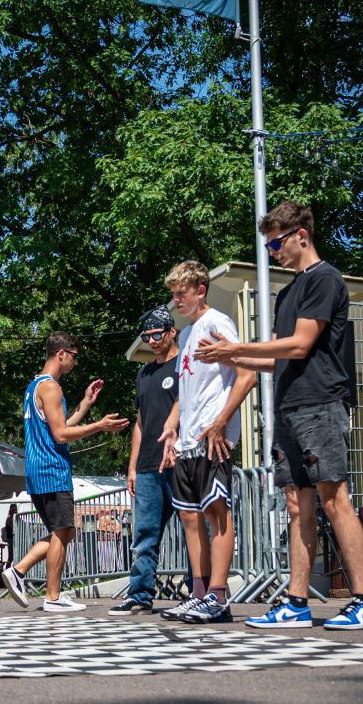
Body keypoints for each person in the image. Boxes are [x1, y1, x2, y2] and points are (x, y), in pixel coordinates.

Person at [196, 201, 363, 631]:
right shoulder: (288, 292)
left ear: (301, 235)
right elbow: (277, 358)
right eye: (268, 246)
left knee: (334, 498)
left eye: (276, 243)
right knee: (297, 504)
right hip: (290, 407)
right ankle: (297, 603)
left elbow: (299, 344)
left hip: (321, 403)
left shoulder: (325, 279)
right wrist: (226, 357)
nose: (272, 252)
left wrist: (237, 348)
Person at [152, 265, 256, 624]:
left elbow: (247, 375)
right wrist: (171, 426)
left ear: (200, 289)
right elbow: (186, 389)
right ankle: (197, 593)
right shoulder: (186, 334)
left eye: (182, 293)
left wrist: (222, 421)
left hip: (214, 437)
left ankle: (218, 596)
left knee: (216, 512)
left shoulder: (217, 323)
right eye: (173, 294)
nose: (176, 300)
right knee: (188, 515)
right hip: (188, 440)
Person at [0, 331, 130, 612]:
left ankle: (19, 571)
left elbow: (60, 425)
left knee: (65, 531)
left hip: (37, 469)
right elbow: (61, 435)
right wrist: (100, 426)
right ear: (61, 354)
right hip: (52, 468)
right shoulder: (52, 387)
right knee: (62, 532)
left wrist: (86, 403)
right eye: (74, 356)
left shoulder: (35, 386)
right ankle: (52, 596)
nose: (75, 362)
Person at [110, 306, 183, 616]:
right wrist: (132, 466)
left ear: (172, 332)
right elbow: (140, 422)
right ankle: (140, 595)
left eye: (157, 334)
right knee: (144, 535)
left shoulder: (184, 365)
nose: (151, 341)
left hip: (179, 461)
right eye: (146, 336)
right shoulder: (144, 373)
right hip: (148, 467)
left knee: (193, 530)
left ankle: (202, 591)